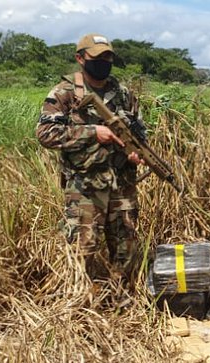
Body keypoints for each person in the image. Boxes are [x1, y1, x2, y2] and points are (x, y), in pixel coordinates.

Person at [36, 33, 144, 283]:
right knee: (81, 249)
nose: (105, 63)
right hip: (84, 187)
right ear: (80, 58)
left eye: (108, 58)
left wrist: (136, 152)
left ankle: (122, 303)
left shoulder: (124, 94)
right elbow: (45, 134)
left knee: (126, 249)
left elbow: (139, 132)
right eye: (98, 57)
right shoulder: (64, 93)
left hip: (122, 184)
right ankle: (80, 306)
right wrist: (93, 132)